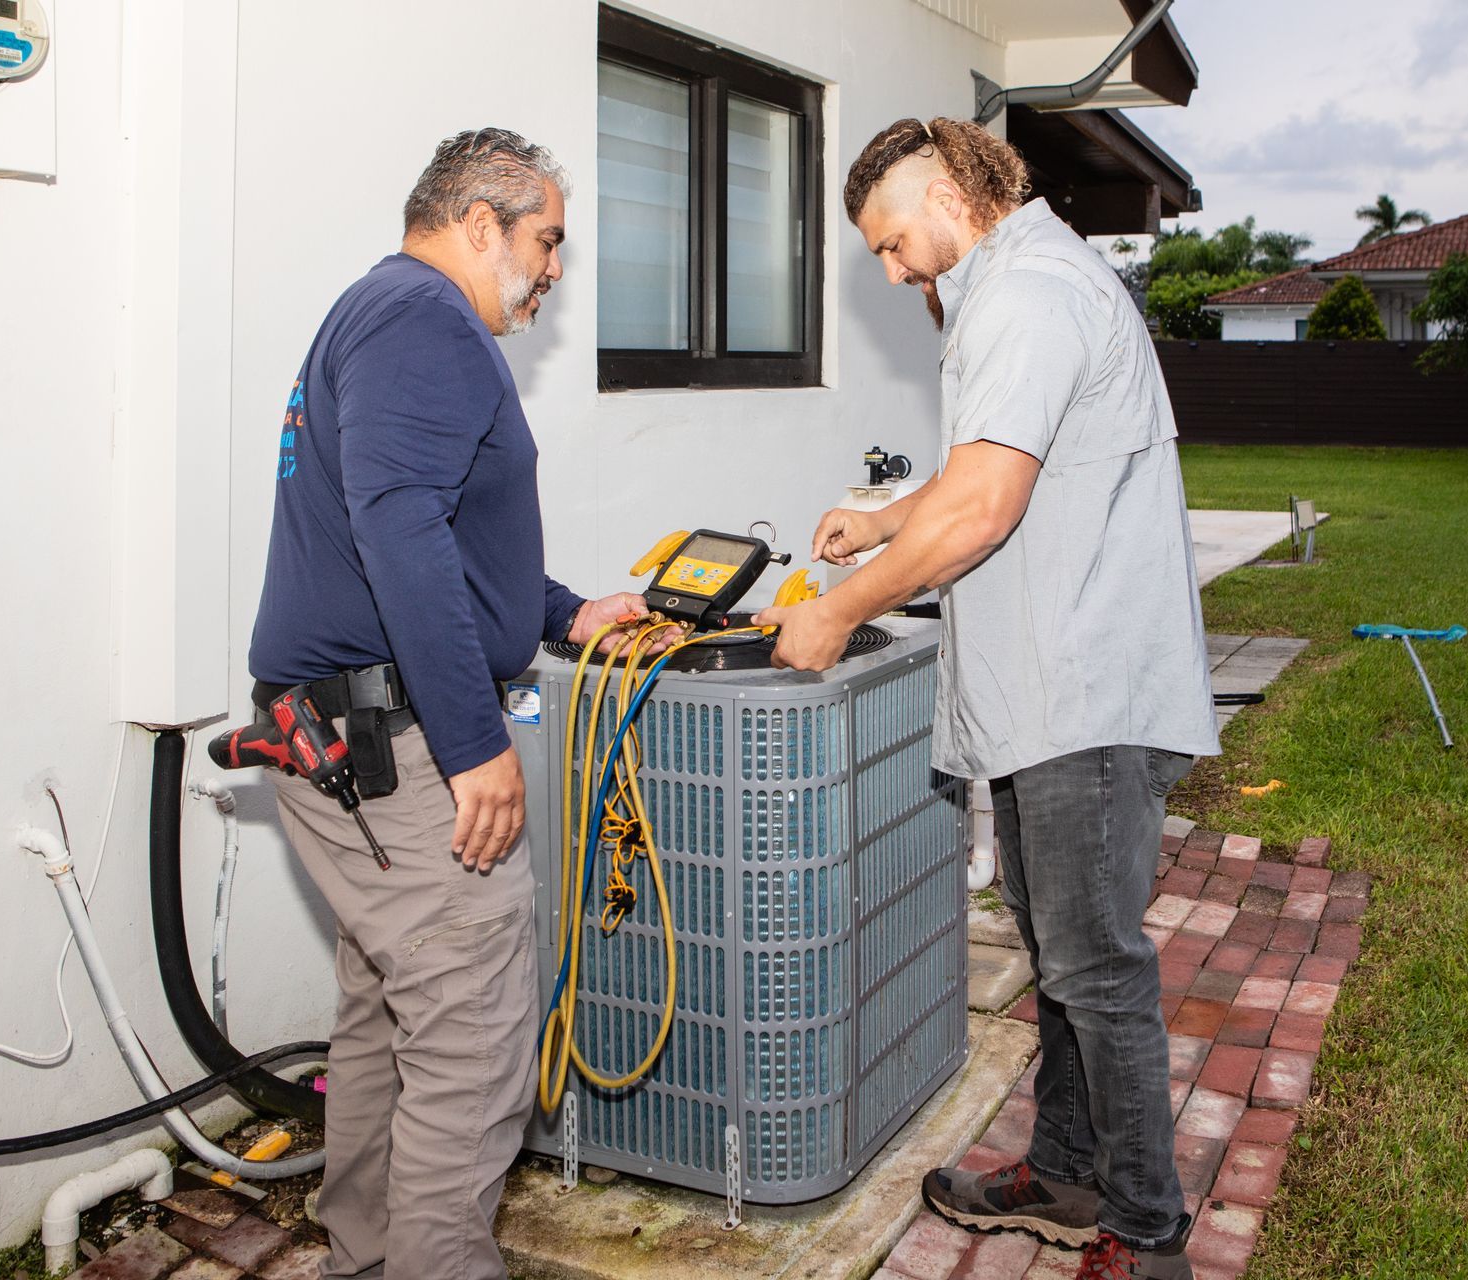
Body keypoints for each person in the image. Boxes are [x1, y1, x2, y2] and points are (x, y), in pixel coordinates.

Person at [754, 117, 1219, 1280]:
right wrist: (886, 514)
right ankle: (1067, 1170)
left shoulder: (1031, 294)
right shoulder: (1014, 288)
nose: (892, 267)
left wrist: (840, 604)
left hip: (1085, 691)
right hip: (1044, 690)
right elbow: (982, 472)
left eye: (892, 240)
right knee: (1063, 958)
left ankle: (1149, 1232)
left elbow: (985, 509)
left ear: (946, 190)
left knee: (1097, 971)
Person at [248, 128, 664, 1280]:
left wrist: (564, 611)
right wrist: (477, 742)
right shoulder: (424, 317)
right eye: (546, 241)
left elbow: (437, 533)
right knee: (474, 1036)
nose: (551, 271)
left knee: (390, 1013)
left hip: (343, 731)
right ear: (480, 224)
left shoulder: (379, 313)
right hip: (395, 742)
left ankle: (369, 1256)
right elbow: (400, 532)